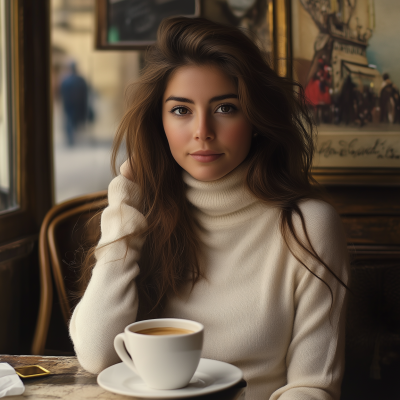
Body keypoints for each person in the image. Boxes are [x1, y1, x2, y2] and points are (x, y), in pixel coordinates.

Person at [69, 17, 349, 400]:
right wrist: (124, 206)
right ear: (160, 122)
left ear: (255, 118)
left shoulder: (308, 225)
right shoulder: (140, 213)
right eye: (181, 111)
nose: (203, 131)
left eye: (225, 108)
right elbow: (96, 353)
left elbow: (312, 386)